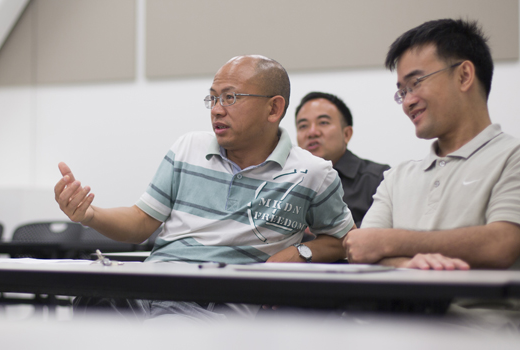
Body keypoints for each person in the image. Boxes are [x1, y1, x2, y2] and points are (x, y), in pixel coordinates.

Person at [55, 55, 354, 319]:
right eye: (212, 98)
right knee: (91, 303)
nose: (216, 110)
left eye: (230, 98)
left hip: (214, 304)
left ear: (273, 108)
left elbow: (344, 240)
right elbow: (141, 222)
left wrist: (300, 253)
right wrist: (89, 214)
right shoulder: (188, 148)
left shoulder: (312, 173)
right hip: (148, 287)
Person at [343, 19, 520, 270]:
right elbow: (360, 248)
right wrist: (408, 264)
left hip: (481, 309)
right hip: (393, 309)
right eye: (402, 92)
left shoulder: (511, 157)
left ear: (464, 75)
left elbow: (502, 244)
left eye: (416, 83)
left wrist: (391, 241)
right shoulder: (397, 177)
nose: (407, 102)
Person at [295, 92, 389, 228]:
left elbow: (384, 230)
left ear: (346, 134)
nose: (312, 132)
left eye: (323, 122)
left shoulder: (379, 179)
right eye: (303, 126)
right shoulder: (288, 181)